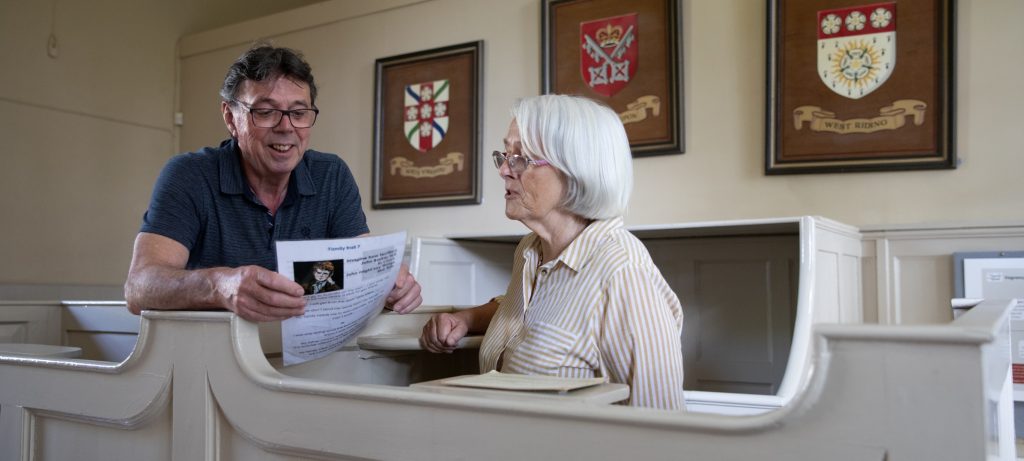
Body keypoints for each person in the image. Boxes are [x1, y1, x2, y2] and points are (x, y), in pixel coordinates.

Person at [419, 95, 685, 410]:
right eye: (505, 155)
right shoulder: (530, 250)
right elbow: (533, 314)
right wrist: (466, 318)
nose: (504, 169)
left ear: (574, 170)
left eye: (520, 158)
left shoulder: (624, 273)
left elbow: (661, 425)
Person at [124, 44, 421, 322]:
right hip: (211, 360)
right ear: (230, 117)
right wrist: (220, 285)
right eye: (266, 112)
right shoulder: (189, 175)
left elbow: (360, 270)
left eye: (298, 112)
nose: (286, 127)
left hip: (306, 360)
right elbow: (139, 288)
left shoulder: (331, 175)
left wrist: (390, 285)